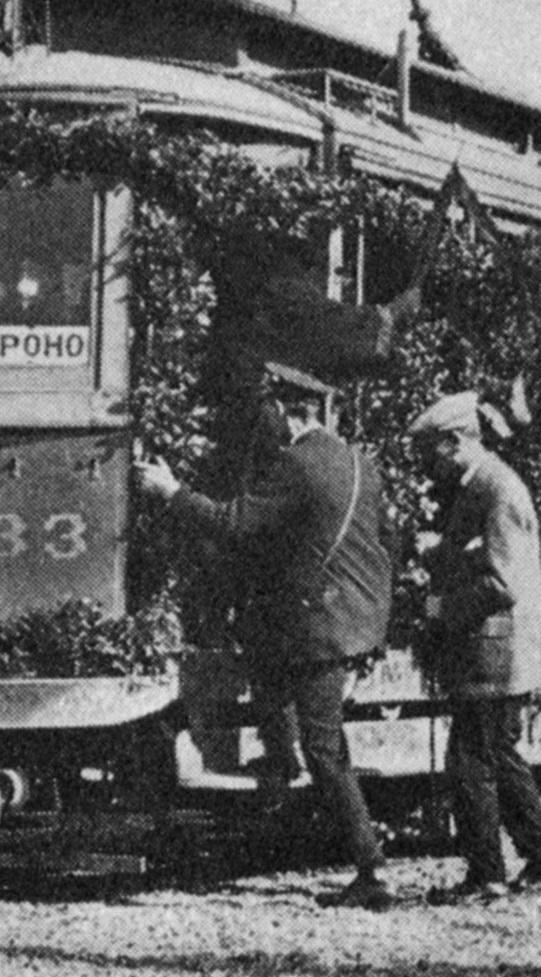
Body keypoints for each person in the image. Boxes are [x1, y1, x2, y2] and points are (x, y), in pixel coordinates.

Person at [133, 361, 396, 911]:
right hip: (346, 619)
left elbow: (235, 523)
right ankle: (279, 765)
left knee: (326, 749)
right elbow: (378, 539)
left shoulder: (296, 465)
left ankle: (370, 869)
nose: (265, 421)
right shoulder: (359, 463)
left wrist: (171, 490)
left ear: (286, 409)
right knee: (272, 668)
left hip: (317, 628)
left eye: (269, 410)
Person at [407, 389, 541, 904]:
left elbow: (500, 582)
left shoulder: (495, 490)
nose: (426, 467)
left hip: (499, 647)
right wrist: (442, 555)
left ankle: (487, 877)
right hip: (501, 646)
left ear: (455, 443)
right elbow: (484, 562)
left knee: (469, 760)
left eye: (430, 453)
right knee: (497, 750)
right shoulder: (484, 485)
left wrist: (439, 609)